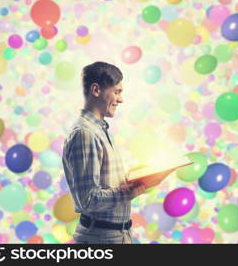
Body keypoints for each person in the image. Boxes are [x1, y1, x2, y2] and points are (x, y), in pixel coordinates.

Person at [62, 61, 168, 244]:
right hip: (101, 238)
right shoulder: (85, 134)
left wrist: (134, 179)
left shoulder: (99, 130)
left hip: (115, 235)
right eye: (117, 92)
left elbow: (103, 184)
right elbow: (88, 200)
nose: (121, 99)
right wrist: (131, 191)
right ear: (96, 90)